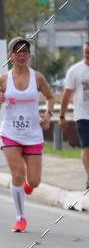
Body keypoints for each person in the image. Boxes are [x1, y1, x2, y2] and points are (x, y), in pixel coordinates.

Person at [0, 37, 54, 232]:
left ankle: (27, 185)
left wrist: (48, 115)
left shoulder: (37, 77)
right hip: (10, 133)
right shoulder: (4, 79)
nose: (21, 55)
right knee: (17, 172)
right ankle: (20, 217)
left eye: (25, 51)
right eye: (17, 51)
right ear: (11, 55)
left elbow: (49, 97)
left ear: (29, 55)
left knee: (34, 181)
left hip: (33, 133)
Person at [60, 40, 89, 189]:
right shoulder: (75, 70)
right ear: (83, 53)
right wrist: (62, 116)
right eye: (87, 53)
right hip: (82, 115)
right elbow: (67, 94)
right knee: (87, 146)